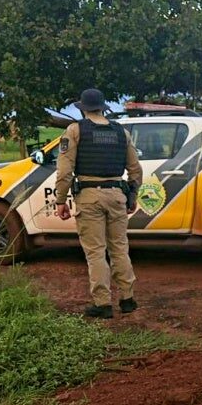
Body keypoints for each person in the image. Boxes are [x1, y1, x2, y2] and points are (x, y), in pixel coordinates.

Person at [55, 88, 142, 319]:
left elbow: (64, 172)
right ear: (103, 107)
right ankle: (127, 299)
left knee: (96, 252)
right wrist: (132, 195)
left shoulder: (75, 131)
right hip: (117, 195)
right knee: (120, 248)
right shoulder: (120, 132)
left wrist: (60, 200)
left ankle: (103, 304)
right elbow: (135, 169)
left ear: (83, 109)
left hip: (89, 195)